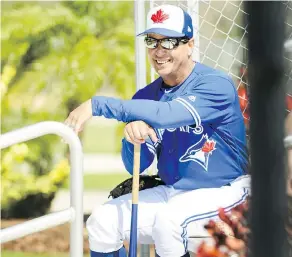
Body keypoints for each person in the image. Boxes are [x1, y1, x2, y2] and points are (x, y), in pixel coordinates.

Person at [64, 4, 250, 257]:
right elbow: (137, 166)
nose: (158, 51)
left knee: (168, 222)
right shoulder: (146, 96)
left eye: (169, 42)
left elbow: (168, 114)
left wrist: (98, 105)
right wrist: (133, 138)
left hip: (226, 190)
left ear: (190, 44)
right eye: (152, 41)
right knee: (102, 220)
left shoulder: (215, 84)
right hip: (174, 191)